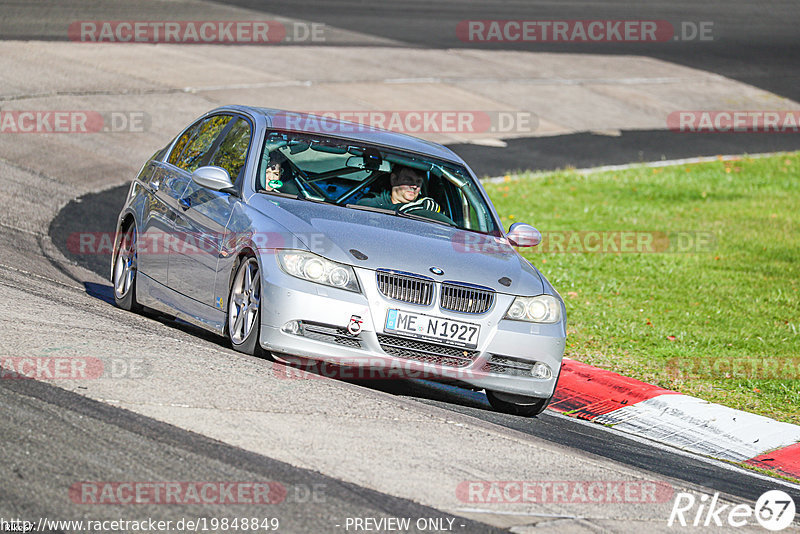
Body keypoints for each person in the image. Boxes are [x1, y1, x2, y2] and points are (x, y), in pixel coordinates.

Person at [359, 166, 442, 215]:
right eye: (408, 180)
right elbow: (363, 206)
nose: (414, 186)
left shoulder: (427, 204)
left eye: (418, 182)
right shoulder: (372, 200)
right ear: (394, 180)